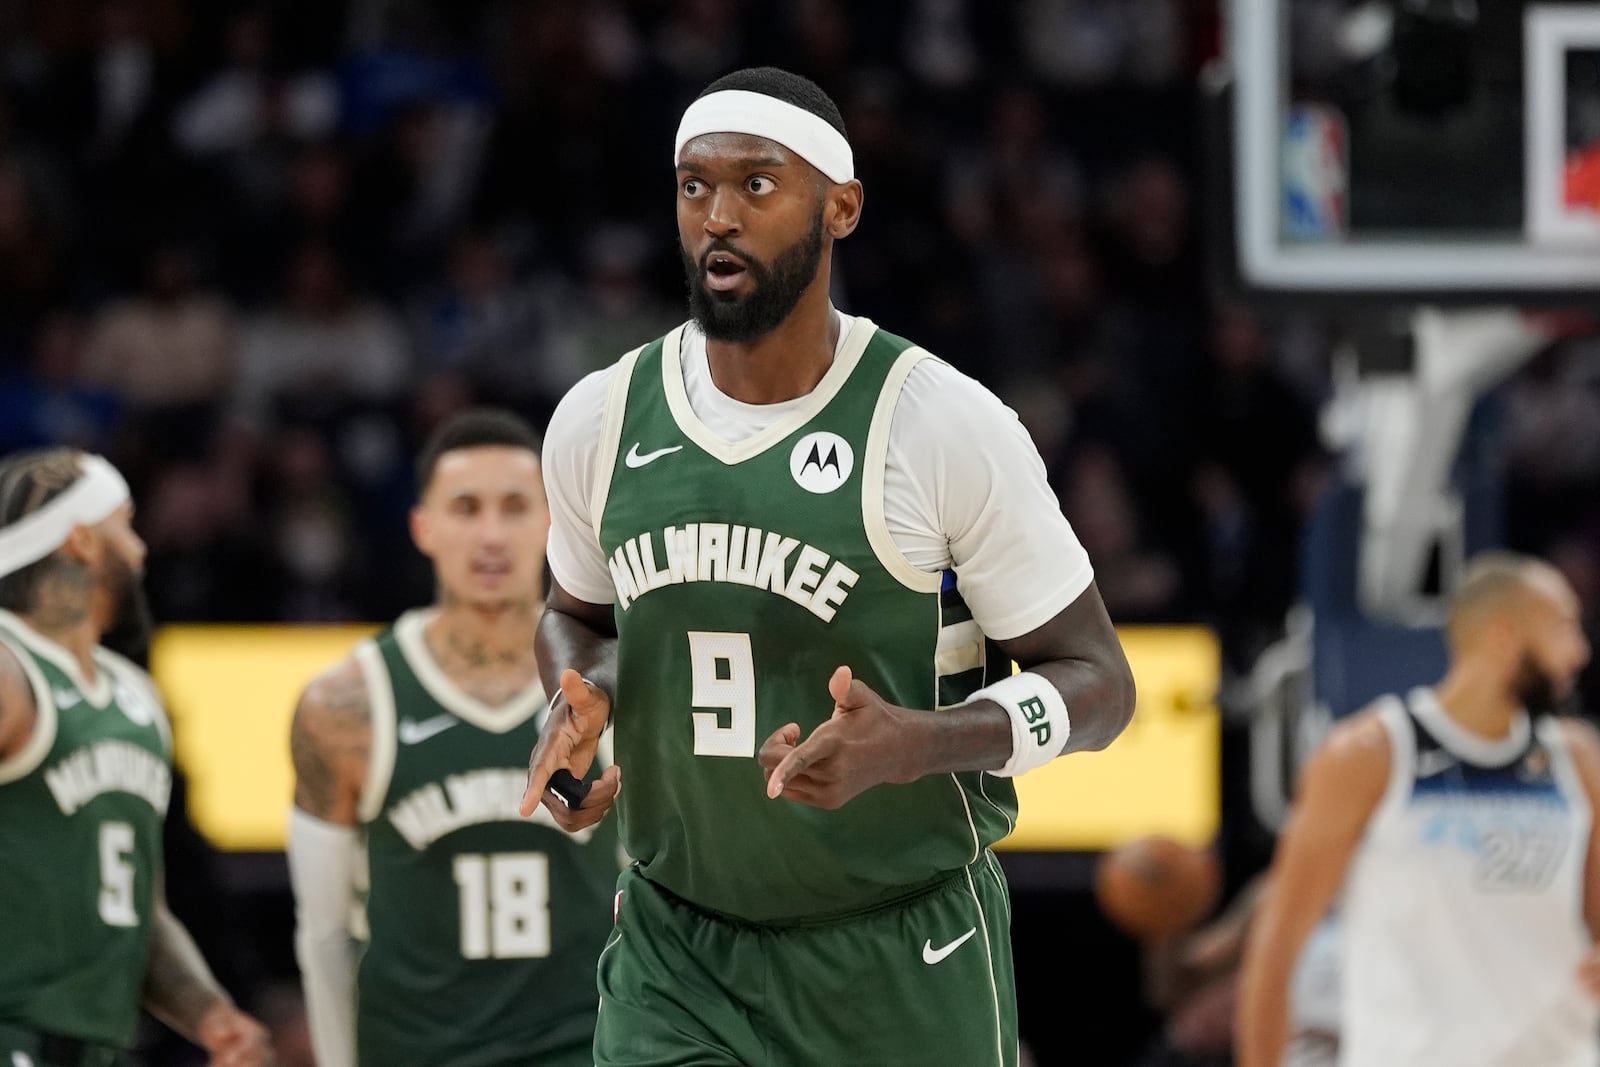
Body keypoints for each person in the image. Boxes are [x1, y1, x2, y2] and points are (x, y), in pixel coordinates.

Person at [520, 66, 1137, 1067]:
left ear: (840, 206)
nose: (718, 215)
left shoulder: (942, 423)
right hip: (680, 953)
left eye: (756, 184)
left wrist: (920, 743)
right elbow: (574, 614)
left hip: (899, 950)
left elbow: (1100, 685)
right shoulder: (600, 416)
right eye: (694, 186)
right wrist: (576, 694)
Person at [288, 408, 621, 1067]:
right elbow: (326, 934)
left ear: (554, 523)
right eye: (466, 508)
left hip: (584, 1049)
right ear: (424, 526)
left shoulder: (614, 686)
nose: (491, 534)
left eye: (515, 506)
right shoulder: (347, 703)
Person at [1237, 551, 1600, 1067]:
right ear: (1503, 633)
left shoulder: (1577, 758)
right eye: (1564, 626)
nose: (1580, 651)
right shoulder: (1369, 755)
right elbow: (1278, 942)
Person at [0, 448, 271, 1067]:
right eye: (125, 524)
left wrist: (209, 1013)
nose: (142, 549)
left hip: (99, 1046)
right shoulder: (9, 667)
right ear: (82, 542)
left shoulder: (136, 696)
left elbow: (136, 909)